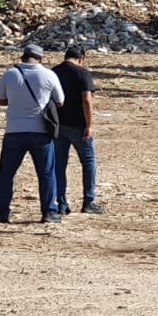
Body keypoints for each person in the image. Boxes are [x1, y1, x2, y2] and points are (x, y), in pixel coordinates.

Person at [0, 43, 65, 224]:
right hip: (40, 131)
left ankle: (3, 212)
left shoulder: (10, 74)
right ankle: (48, 212)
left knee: (6, 174)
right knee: (46, 173)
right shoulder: (49, 75)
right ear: (40, 58)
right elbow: (60, 101)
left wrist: (15, 101)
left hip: (14, 130)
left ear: (23, 56)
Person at [53, 46, 104, 215]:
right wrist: (89, 125)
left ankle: (60, 203)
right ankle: (88, 201)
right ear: (81, 59)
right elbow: (87, 100)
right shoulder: (82, 73)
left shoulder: (53, 72)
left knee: (58, 166)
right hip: (78, 126)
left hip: (58, 125)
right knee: (88, 162)